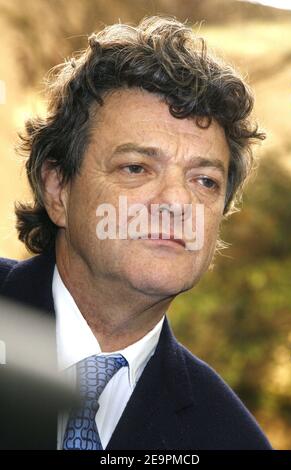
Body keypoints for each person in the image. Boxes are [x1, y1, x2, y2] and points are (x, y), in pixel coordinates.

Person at [0, 16, 271, 450]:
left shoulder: (229, 437)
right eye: (136, 168)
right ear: (58, 190)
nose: (178, 203)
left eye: (205, 181)